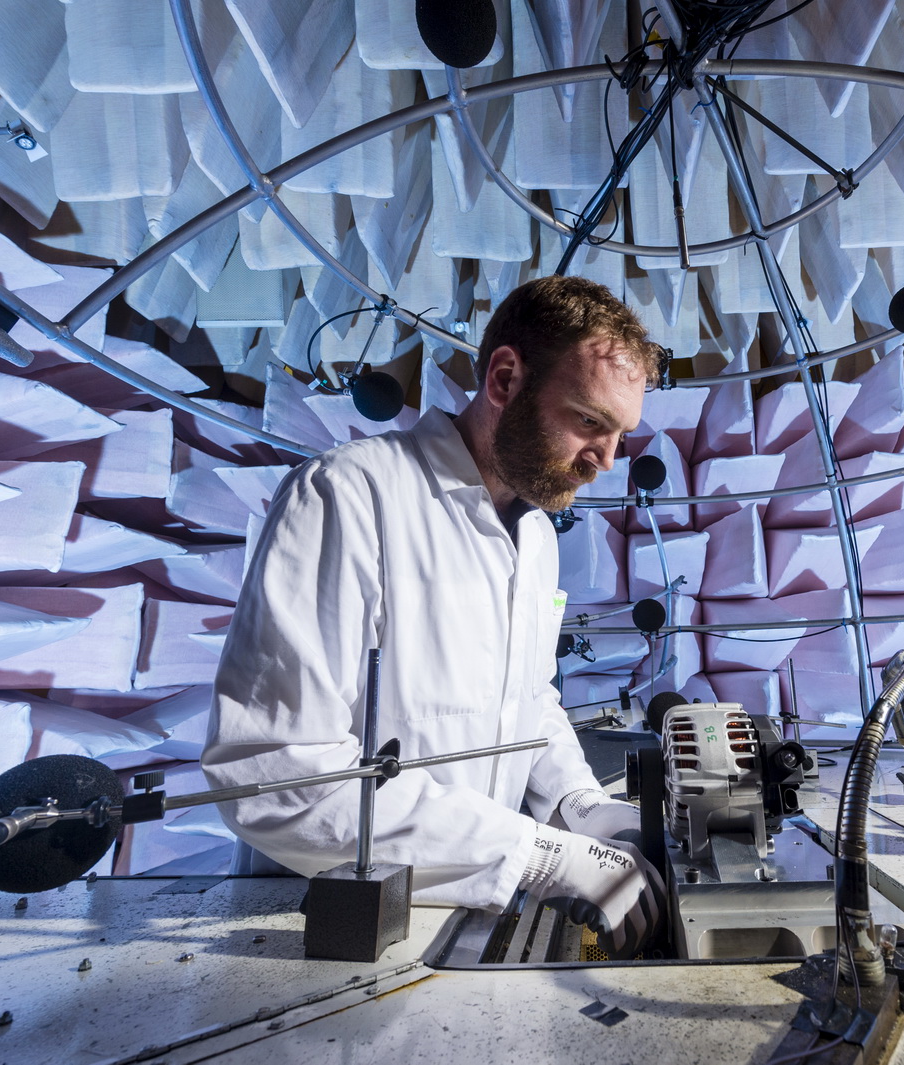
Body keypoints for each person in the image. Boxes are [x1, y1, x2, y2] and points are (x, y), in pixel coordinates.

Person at [203, 276, 667, 956]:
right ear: (505, 378)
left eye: (621, 433)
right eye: (591, 421)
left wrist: (577, 803)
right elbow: (274, 769)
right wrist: (534, 853)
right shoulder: (350, 495)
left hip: (458, 919)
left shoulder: (535, 535)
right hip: (320, 928)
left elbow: (526, 699)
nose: (606, 460)